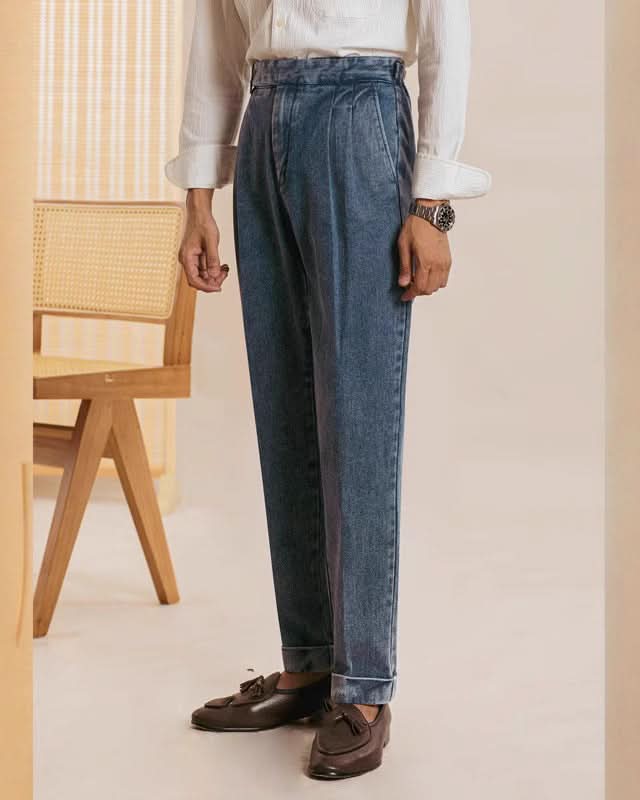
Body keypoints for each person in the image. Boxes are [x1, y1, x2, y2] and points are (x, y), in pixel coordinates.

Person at [165, 0, 490, 781]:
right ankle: (309, 666)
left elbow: (448, 29)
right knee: (283, 409)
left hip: (361, 109)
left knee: (358, 414)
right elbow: (216, 37)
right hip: (262, 115)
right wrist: (199, 199)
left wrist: (431, 203)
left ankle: (366, 688)